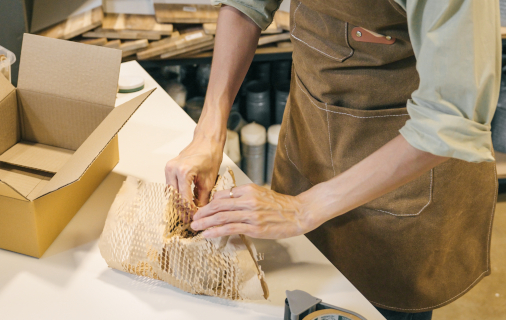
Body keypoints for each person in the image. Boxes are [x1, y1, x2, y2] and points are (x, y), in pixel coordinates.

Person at [165, 0, 501, 319]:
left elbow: (451, 117)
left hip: (400, 196)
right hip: (309, 147)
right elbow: (246, 6)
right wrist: (209, 133)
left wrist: (305, 209)